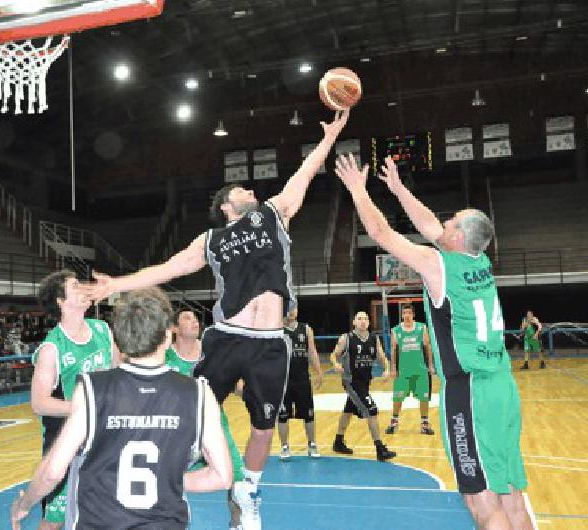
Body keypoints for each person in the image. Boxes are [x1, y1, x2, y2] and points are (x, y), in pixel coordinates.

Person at [88, 110, 349, 529]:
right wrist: (116, 284)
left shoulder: (274, 213)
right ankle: (154, 473)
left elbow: (306, 172)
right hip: (227, 337)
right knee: (194, 408)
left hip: (271, 343)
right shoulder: (210, 239)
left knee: (265, 426)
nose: (252, 190)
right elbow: (166, 269)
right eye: (244, 189)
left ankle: (248, 492)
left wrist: (330, 137)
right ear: (228, 205)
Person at [336, 153, 532, 529]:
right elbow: (430, 226)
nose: (444, 221)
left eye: (451, 221)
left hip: (469, 392)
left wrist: (359, 191)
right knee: (511, 496)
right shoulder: (478, 261)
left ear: (457, 236)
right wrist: (398, 189)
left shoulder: (439, 264)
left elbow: (381, 234)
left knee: (482, 503)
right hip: (502, 389)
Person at [11, 288, 232, 530]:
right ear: (168, 338)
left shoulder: (91, 389)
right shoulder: (200, 393)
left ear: (119, 340)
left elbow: (53, 471)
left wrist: (24, 503)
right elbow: (222, 477)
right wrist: (163, 477)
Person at [30, 270, 118, 530]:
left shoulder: (102, 329)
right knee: (52, 521)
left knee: (105, 510)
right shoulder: (52, 348)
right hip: (66, 439)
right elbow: (39, 403)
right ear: (61, 301)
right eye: (75, 286)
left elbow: (118, 370)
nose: (84, 289)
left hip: (103, 436)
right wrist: (85, 408)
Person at [165, 308, 245, 530]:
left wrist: (256, 391)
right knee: (167, 479)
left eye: (195, 318)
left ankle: (237, 525)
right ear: (174, 329)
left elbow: (236, 385)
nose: (194, 321)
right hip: (177, 430)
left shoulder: (211, 352)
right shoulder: (164, 355)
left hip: (213, 424)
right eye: (187, 318)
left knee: (237, 480)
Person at [329, 311, 396, 461]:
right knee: (372, 411)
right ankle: (380, 448)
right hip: (351, 382)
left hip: (365, 382)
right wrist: (336, 364)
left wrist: (386, 368)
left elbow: (381, 356)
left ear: (369, 322)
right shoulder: (346, 338)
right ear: (354, 322)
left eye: (365, 318)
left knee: (348, 410)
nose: (363, 321)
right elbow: (334, 355)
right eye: (359, 319)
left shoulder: (374, 338)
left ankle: (338, 442)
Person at [278, 307, 323, 460]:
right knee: (283, 416)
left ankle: (312, 444)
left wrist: (318, 371)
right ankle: (284, 446)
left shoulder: (306, 329)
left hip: (303, 379)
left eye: (293, 308)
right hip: (283, 381)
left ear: (297, 311)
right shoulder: (277, 330)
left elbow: (312, 351)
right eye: (288, 309)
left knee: (309, 414)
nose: (291, 311)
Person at [385, 304, 436, 435]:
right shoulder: (396, 330)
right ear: (402, 315)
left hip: (420, 370)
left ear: (413, 314)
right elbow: (393, 350)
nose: (407, 315)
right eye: (404, 313)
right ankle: (394, 422)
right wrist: (393, 368)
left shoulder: (422, 328)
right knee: (398, 398)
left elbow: (428, 347)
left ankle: (425, 424)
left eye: (409, 313)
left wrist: (430, 365)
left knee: (424, 398)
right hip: (403, 371)